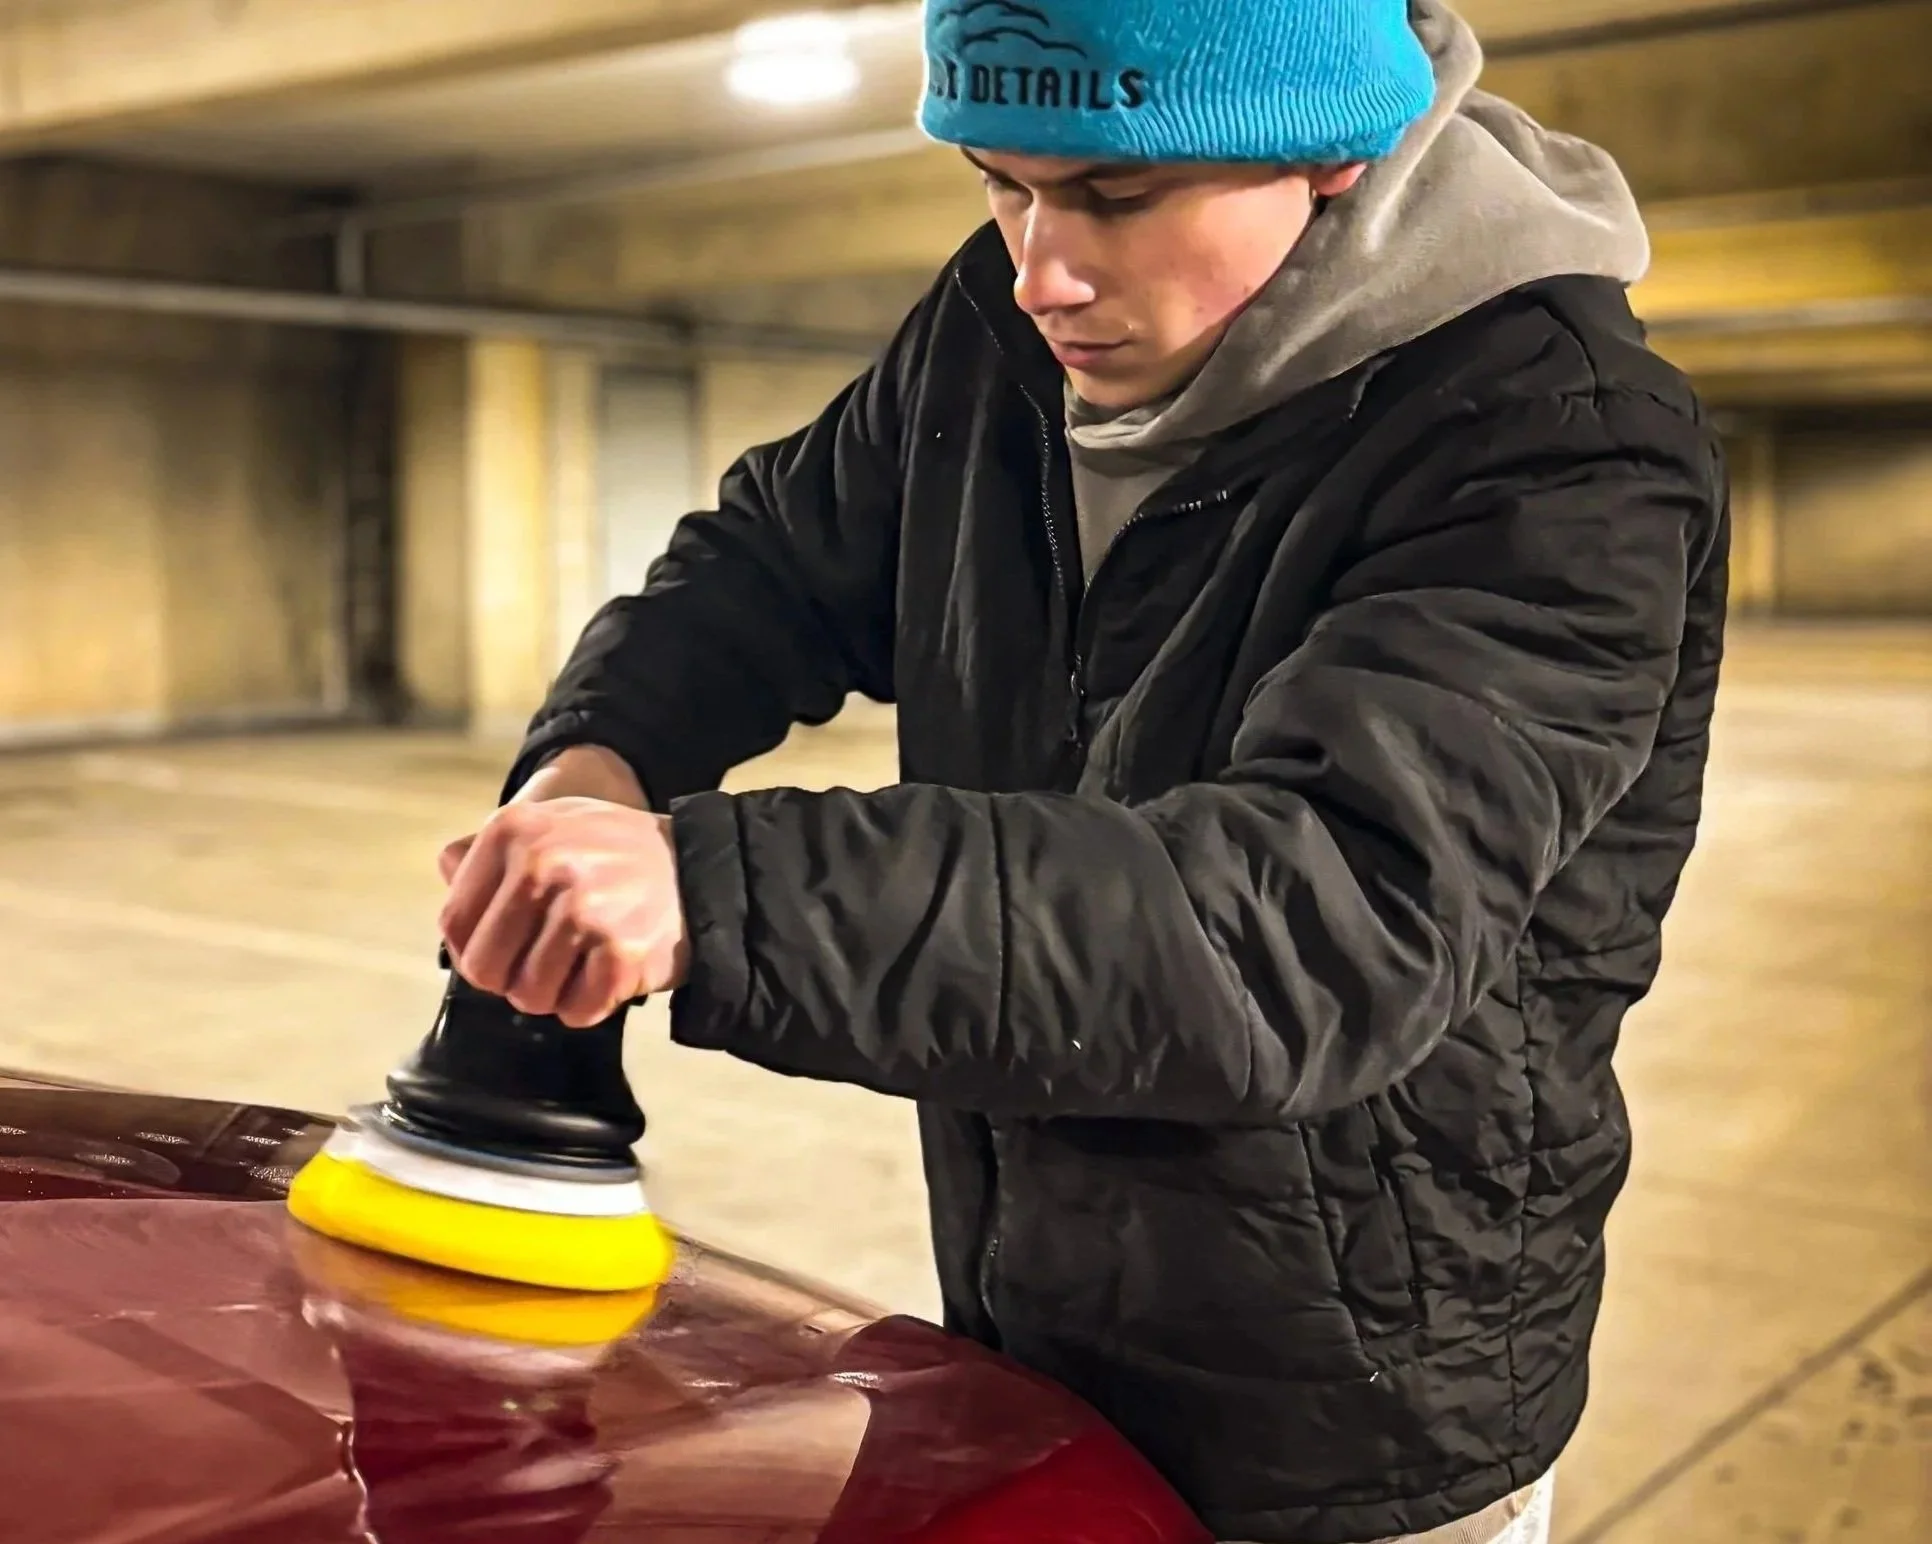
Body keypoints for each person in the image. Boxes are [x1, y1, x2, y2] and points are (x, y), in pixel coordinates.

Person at [434, 2, 1730, 1540]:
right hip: (1030, 1314)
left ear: (1323, 145)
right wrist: (593, 758)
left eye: (1115, 195)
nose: (1042, 265)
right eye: (1001, 180)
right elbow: (775, 561)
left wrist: (715, 889)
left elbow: (1308, 928)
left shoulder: (1559, 448)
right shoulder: (1002, 324)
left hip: (1344, 1419)